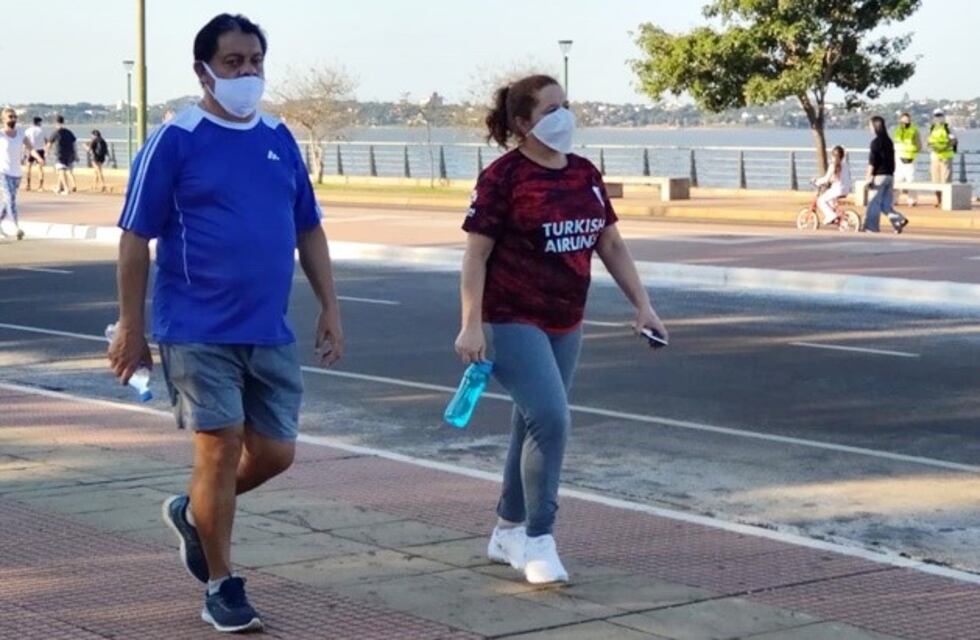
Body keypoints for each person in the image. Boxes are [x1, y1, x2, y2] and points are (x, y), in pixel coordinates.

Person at [107, 14, 344, 633]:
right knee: (220, 449)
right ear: (203, 71)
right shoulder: (176, 139)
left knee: (276, 453)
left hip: (268, 327)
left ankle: (194, 515)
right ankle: (221, 585)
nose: (246, 74)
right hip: (195, 328)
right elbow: (135, 238)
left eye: (255, 61)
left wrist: (330, 306)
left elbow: (307, 226)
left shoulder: (279, 136)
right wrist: (132, 327)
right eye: (233, 62)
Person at [455, 74, 669, 585]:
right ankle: (539, 539)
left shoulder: (583, 174)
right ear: (523, 124)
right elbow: (475, 255)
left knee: (530, 422)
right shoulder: (503, 178)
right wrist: (469, 325)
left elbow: (611, 245)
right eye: (551, 110)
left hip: (566, 317)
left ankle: (506, 529)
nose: (564, 116)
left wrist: (644, 306)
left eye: (566, 106)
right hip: (509, 316)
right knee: (552, 418)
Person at [0, 107, 43, 240]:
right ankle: (16, 227)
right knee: (10, 200)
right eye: (10, 117)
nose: (13, 119)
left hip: (16, 173)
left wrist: (38, 157)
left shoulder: (20, 134)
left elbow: (31, 148)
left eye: (14, 117)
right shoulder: (0, 134)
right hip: (3, 172)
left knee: (8, 202)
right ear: (3, 119)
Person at [863, 116, 908, 234]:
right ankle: (899, 219)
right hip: (889, 176)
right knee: (885, 205)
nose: (870, 128)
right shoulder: (889, 142)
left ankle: (871, 227)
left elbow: (872, 162)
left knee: (874, 203)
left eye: (870, 126)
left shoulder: (875, 143)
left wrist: (868, 177)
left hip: (879, 177)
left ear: (875, 127)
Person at [814, 145, 852, 225]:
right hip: (846, 189)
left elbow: (826, 179)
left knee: (820, 201)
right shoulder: (845, 165)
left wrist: (817, 181)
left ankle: (830, 215)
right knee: (830, 200)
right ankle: (838, 217)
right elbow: (840, 178)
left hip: (838, 189)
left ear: (833, 156)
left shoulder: (833, 166)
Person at [927, 108, 957, 207]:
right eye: (936, 116)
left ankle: (945, 200)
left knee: (946, 180)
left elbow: (953, 140)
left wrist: (944, 148)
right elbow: (928, 142)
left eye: (940, 115)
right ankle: (938, 200)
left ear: (943, 116)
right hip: (935, 156)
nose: (938, 118)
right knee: (935, 180)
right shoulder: (932, 128)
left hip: (946, 157)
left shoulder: (948, 128)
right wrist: (933, 148)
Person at [892, 112, 922, 207]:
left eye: (907, 120)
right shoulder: (897, 131)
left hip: (910, 158)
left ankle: (912, 200)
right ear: (900, 120)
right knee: (897, 180)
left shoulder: (914, 130)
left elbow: (919, 145)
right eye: (904, 120)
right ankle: (894, 199)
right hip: (898, 158)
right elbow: (895, 144)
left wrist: (914, 152)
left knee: (911, 180)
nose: (905, 122)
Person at [47, 115, 77, 194]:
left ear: (55, 123)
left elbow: (49, 143)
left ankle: (66, 189)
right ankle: (59, 187)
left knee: (61, 170)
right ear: (63, 122)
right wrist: (75, 154)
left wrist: (46, 152)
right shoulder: (69, 132)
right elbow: (74, 143)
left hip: (60, 154)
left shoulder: (55, 132)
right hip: (69, 153)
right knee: (63, 170)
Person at [24, 116, 46, 191]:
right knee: (40, 168)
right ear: (39, 122)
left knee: (28, 167)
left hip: (31, 150)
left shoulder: (28, 130)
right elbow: (46, 141)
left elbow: (25, 142)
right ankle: (40, 186)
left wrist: (24, 152)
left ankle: (28, 185)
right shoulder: (41, 130)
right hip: (40, 150)